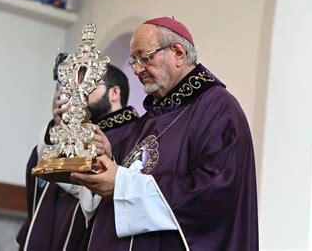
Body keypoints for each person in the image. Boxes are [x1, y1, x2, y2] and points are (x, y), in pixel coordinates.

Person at [71, 17, 259, 250]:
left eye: (144, 57)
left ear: (178, 52)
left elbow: (214, 192)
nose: (138, 69)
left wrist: (121, 183)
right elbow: (134, 176)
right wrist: (110, 161)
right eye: (133, 61)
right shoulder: (152, 116)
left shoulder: (218, 108)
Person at [16, 57, 138, 251]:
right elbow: (38, 169)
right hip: (52, 226)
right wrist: (57, 128)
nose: (80, 94)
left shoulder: (134, 133)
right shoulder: (81, 127)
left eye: (90, 85)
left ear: (114, 92)